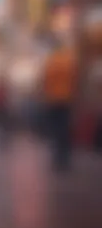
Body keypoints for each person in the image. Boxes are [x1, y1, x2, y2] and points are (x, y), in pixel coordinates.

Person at [41, 33, 77, 172]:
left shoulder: (51, 61)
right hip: (66, 98)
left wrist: (44, 96)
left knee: (55, 129)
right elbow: (75, 79)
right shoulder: (69, 60)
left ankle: (57, 157)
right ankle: (65, 157)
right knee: (64, 128)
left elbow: (44, 81)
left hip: (52, 100)